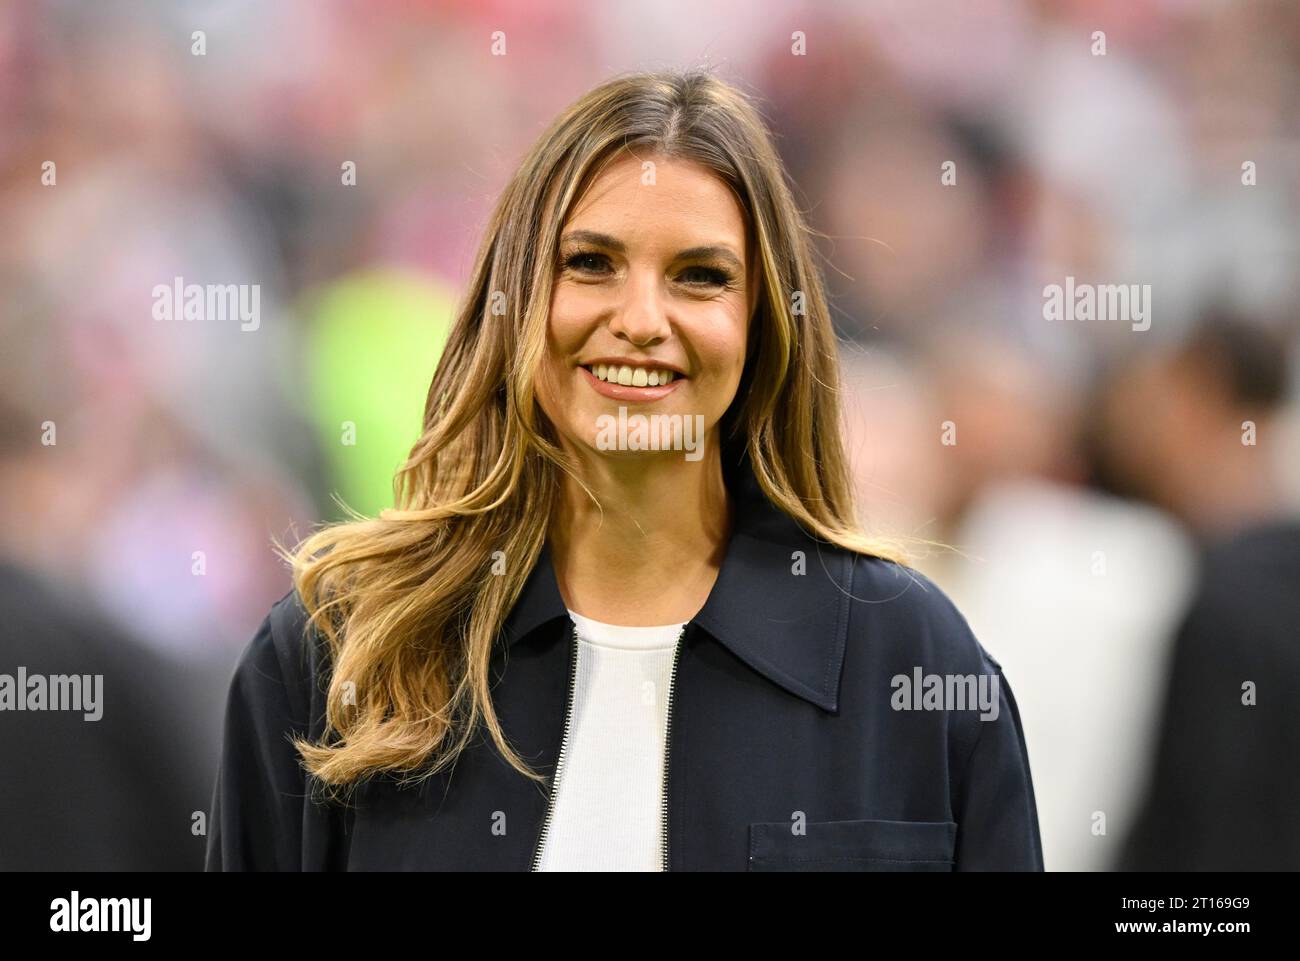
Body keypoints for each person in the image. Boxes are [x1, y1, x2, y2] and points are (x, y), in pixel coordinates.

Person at [206, 70, 1043, 872]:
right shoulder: (342, 651)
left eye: (701, 277)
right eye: (591, 263)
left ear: (763, 328)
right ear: (518, 300)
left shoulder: (913, 661)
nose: (640, 320)